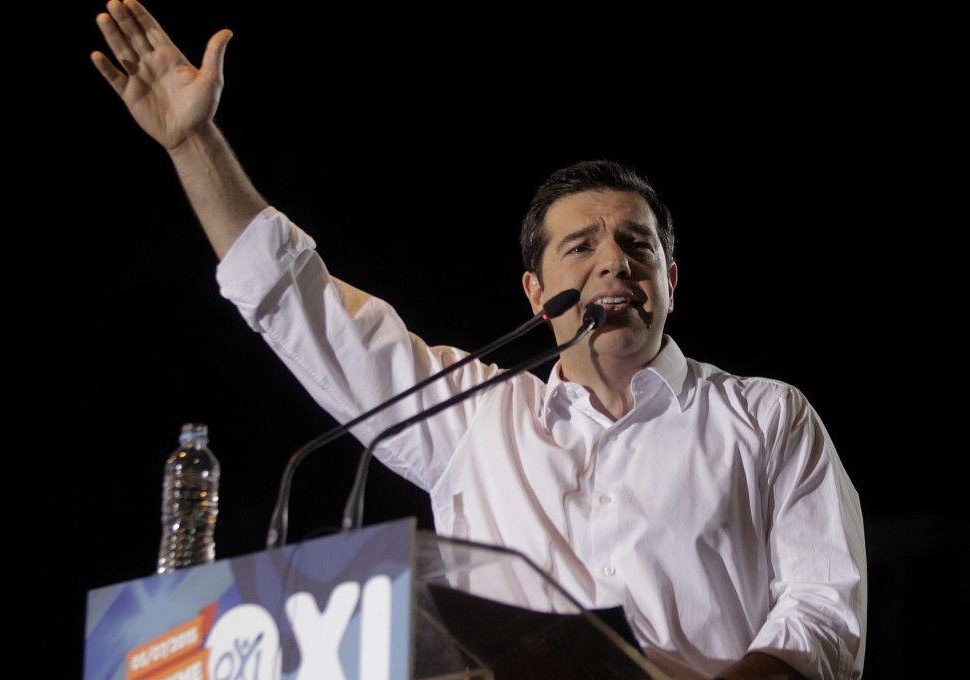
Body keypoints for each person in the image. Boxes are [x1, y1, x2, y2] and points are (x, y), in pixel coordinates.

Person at [90, 2, 868, 678]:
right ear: (537, 295)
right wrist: (194, 144)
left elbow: (826, 617)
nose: (613, 264)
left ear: (671, 278)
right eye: (581, 247)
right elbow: (300, 304)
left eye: (637, 246)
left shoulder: (768, 418)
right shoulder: (475, 417)